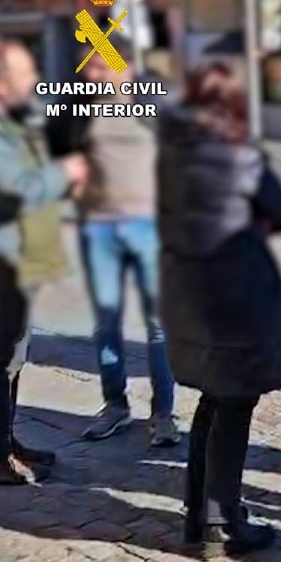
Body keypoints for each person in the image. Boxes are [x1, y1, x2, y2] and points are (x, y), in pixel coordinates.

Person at [158, 63, 281, 557]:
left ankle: (198, 516)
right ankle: (222, 523)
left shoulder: (170, 156)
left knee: (211, 398)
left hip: (186, 293)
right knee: (235, 404)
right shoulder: (241, 156)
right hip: (235, 298)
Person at [0, 38, 90, 485]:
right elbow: (14, 188)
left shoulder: (10, 117)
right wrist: (66, 173)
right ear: (0, 82)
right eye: (25, 74)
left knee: (14, 351)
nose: (34, 81)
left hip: (21, 249)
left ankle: (0, 438)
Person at [65, 38, 178, 446]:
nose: (90, 76)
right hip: (98, 229)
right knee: (106, 322)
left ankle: (163, 413)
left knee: (158, 325)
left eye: (98, 67)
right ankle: (116, 406)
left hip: (149, 226)